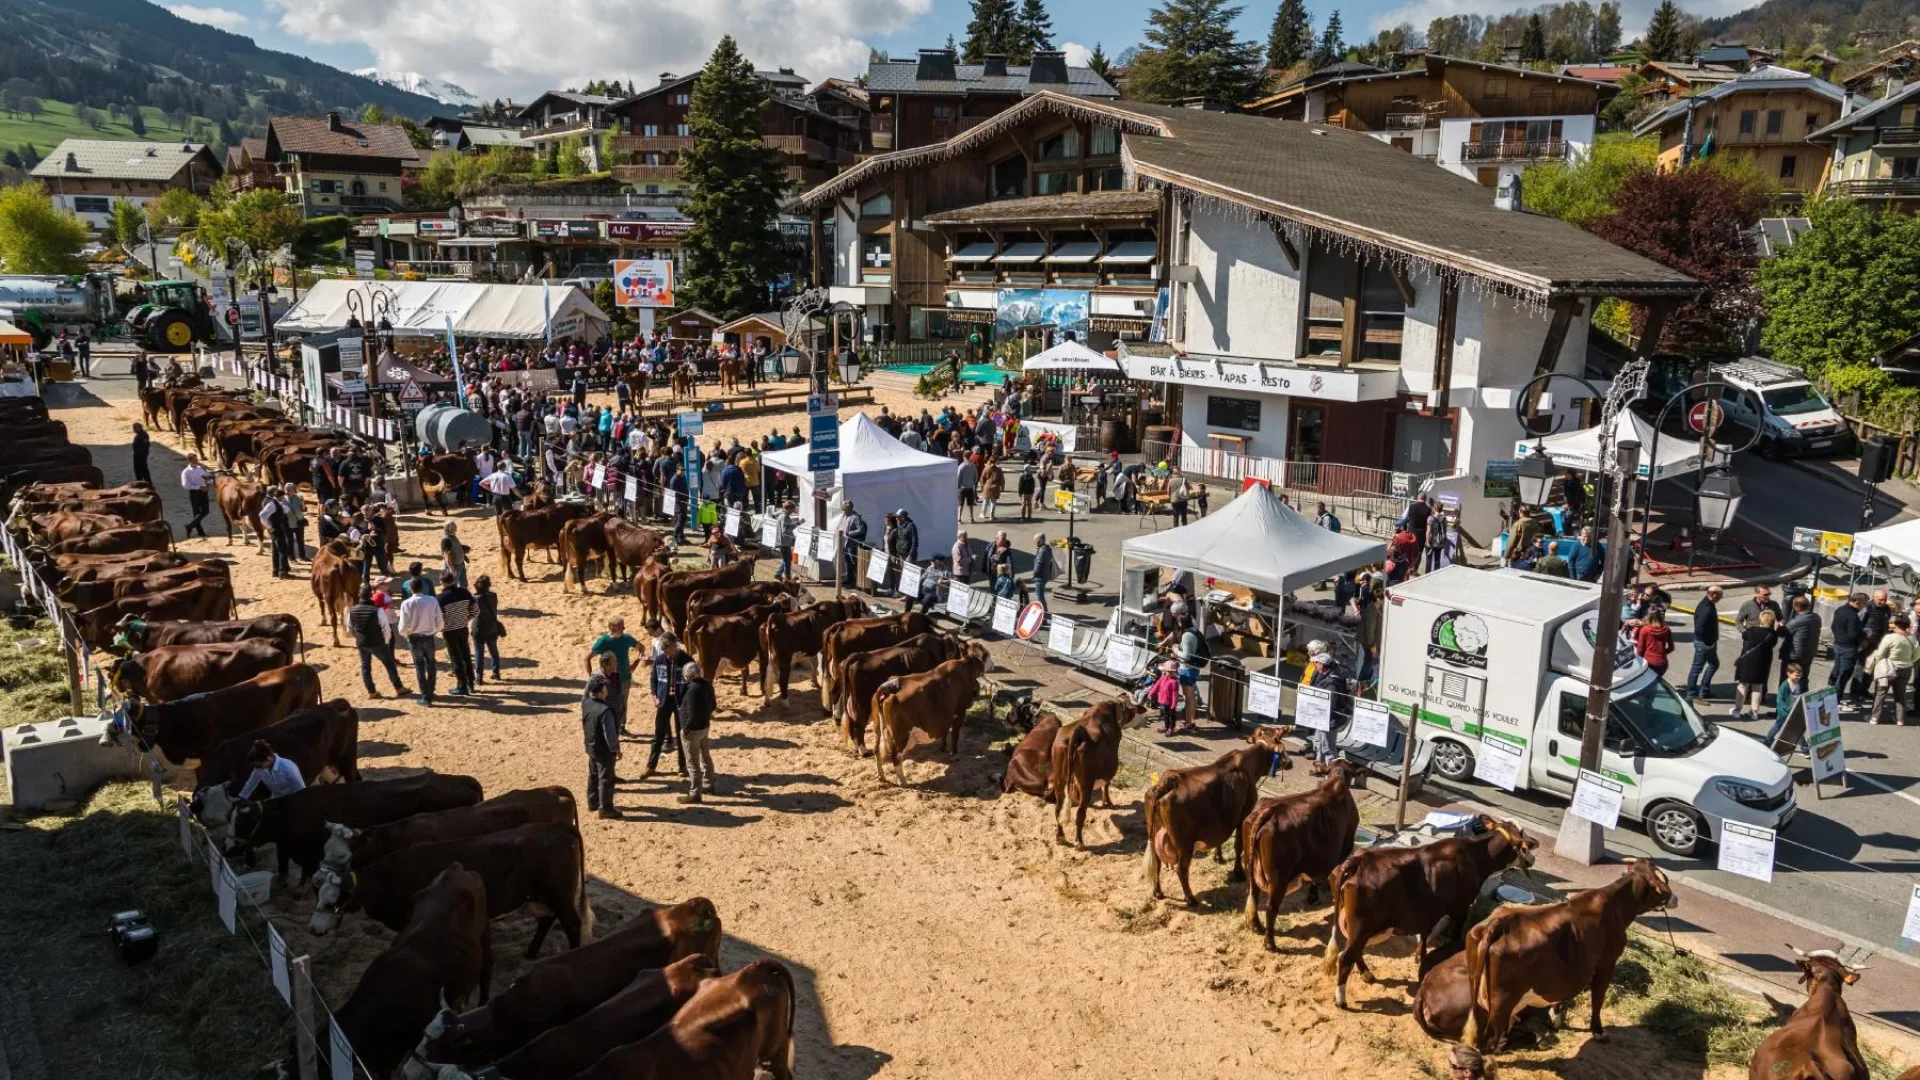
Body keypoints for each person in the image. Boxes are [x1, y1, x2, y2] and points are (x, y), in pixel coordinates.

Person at [348, 587, 409, 698]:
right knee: (389, 664)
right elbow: (385, 628)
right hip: (377, 643)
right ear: (371, 596)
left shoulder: (352, 610)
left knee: (366, 667)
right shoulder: (377, 610)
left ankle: (372, 691)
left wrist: (358, 637)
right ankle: (399, 687)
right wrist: (385, 641)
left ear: (359, 596)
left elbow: (350, 628)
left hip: (362, 643)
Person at [644, 633, 688, 777]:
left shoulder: (687, 660)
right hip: (664, 701)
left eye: (665, 649)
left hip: (681, 703)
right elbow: (654, 678)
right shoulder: (660, 659)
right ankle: (651, 766)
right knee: (658, 735)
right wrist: (654, 696)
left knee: (681, 735)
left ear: (674, 646)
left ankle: (683, 766)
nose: (663, 652)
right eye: (662, 649)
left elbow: (694, 682)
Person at [581, 672, 622, 819]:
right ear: (601, 690)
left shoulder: (586, 703)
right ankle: (605, 809)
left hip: (591, 746)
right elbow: (609, 734)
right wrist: (616, 749)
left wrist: (590, 680)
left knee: (593, 774)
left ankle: (593, 802)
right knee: (606, 779)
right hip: (604, 751)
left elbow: (584, 694)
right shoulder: (605, 710)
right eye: (604, 686)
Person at [398, 577, 444, 706]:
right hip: (429, 637)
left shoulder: (406, 604)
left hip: (414, 638)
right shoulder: (432, 600)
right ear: (422, 588)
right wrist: (434, 631)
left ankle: (425, 695)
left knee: (419, 667)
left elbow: (402, 627)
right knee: (431, 664)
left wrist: (407, 635)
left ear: (411, 589)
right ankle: (431, 690)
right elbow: (440, 621)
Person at [677, 660, 717, 804]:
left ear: (689, 676)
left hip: (693, 730)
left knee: (692, 763)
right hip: (704, 727)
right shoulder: (707, 684)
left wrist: (686, 729)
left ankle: (695, 793)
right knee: (705, 756)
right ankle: (709, 784)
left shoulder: (693, 689)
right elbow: (713, 705)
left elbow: (692, 714)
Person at [589, 618, 640, 732]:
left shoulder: (627, 638)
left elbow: (641, 648)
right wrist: (592, 677)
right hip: (608, 681)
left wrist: (634, 665)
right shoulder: (603, 641)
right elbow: (587, 658)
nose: (624, 628)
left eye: (623, 626)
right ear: (612, 627)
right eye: (621, 626)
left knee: (623, 704)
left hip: (624, 678)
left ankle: (621, 727)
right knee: (609, 704)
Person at [1866, 614, 1916, 726]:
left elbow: (1880, 654)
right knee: (1901, 695)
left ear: (1897, 625)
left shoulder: (1890, 638)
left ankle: (1874, 718)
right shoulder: (1912, 639)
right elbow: (1917, 655)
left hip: (1889, 668)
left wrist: (1876, 661)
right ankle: (1900, 720)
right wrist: (1908, 660)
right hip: (1906, 669)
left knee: (1881, 693)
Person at [1732, 609, 1778, 720]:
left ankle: (1737, 710)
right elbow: (1772, 644)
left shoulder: (1752, 630)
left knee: (1743, 686)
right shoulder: (1772, 635)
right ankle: (1754, 712)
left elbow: (1744, 636)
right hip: (1762, 663)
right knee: (1757, 687)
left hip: (1747, 662)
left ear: (1760, 620)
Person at [437, 573, 476, 695]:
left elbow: (440, 618)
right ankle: (471, 683)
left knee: (456, 658)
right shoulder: (464, 592)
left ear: (441, 582)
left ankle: (462, 686)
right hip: (463, 628)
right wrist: (465, 619)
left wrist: (442, 627)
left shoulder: (441, 598)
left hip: (449, 631)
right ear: (453, 580)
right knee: (466, 654)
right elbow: (475, 610)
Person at [1683, 585, 1723, 702]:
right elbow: (1699, 629)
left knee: (1713, 664)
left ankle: (1704, 690)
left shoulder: (1707, 604)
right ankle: (1691, 693)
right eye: (1720, 595)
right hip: (1705, 644)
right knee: (1697, 668)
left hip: (1707, 642)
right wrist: (1707, 643)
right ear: (1714, 595)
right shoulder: (1706, 608)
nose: (1721, 598)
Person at [1828, 592, 1867, 709]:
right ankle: (1835, 701)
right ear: (1857, 603)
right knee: (1843, 675)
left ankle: (1828, 696)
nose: (1864, 606)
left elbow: (1833, 626)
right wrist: (1864, 635)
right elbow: (1852, 634)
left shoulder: (1840, 610)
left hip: (1838, 645)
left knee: (1836, 672)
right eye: (1864, 604)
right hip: (1848, 648)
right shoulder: (1853, 616)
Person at [237, 740, 305, 799]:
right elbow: (251, 784)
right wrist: (242, 798)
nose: (257, 768)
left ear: (268, 758)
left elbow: (301, 790)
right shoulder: (259, 769)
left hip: (294, 798)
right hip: (276, 801)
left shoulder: (288, 767)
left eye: (259, 765)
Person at [472, 574, 505, 684]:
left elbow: (472, 613)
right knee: (494, 651)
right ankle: (496, 672)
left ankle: (479, 677)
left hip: (479, 629)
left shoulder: (475, 598)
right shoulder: (493, 596)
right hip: (492, 628)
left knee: (478, 653)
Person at [1769, 662, 1810, 745]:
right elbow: (1779, 700)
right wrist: (1787, 709)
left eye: (1800, 675)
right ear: (1789, 674)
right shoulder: (1784, 686)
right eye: (1796, 675)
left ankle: (1804, 748)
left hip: (1794, 712)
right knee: (1777, 727)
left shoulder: (1799, 684)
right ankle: (1767, 742)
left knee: (1797, 730)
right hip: (1784, 713)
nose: (1799, 677)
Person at [1633, 609, 1674, 679]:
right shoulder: (1667, 629)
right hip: (1662, 663)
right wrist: (1662, 653)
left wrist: (1639, 662)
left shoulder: (1644, 630)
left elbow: (1640, 649)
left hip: (1649, 663)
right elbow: (1671, 647)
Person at [1150, 659, 1182, 736]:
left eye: (1172, 672)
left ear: (1174, 672)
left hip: (1170, 703)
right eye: (1168, 671)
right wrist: (1151, 693)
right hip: (1163, 701)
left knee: (1171, 716)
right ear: (1165, 670)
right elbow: (1156, 686)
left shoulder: (1174, 682)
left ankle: (1171, 728)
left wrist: (1174, 705)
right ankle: (1166, 726)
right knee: (1165, 715)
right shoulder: (1162, 678)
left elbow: (1175, 694)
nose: (1169, 673)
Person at [839, 500, 866, 588]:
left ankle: (854, 582)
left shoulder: (855, 517)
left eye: (843, 505)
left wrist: (849, 533)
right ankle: (849, 579)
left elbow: (861, 529)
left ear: (848, 507)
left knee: (853, 563)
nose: (842, 506)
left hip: (852, 544)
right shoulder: (845, 516)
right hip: (845, 543)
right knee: (847, 562)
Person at [1030, 533, 1058, 611]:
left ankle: (1044, 614)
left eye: (1035, 541)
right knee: (1040, 595)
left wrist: (1034, 575)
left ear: (1039, 541)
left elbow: (1039, 564)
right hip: (1045, 575)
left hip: (1040, 576)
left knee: (1040, 596)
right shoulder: (1047, 549)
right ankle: (1043, 612)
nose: (1034, 543)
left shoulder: (1042, 551)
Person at [441, 521, 469, 591]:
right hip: (455, 566)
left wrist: (462, 548)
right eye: (455, 527)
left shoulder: (451, 535)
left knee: (463, 583)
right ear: (449, 528)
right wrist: (451, 568)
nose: (456, 528)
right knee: (453, 585)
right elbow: (446, 555)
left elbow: (453, 547)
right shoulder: (446, 539)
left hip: (460, 564)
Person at [979, 456, 1003, 521]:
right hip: (995, 487)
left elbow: (982, 478)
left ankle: (983, 514)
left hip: (987, 486)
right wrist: (1002, 487)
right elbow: (1002, 479)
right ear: (995, 461)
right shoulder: (999, 470)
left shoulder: (986, 468)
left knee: (985, 501)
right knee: (993, 501)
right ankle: (991, 515)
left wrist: (982, 486)